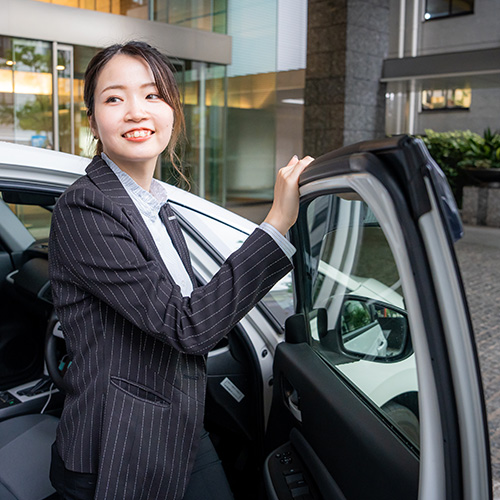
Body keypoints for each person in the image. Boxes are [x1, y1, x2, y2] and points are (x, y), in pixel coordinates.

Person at [48, 40, 313, 500]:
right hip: (119, 452)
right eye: (114, 98)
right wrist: (276, 224)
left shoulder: (157, 206)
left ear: (172, 109)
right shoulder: (86, 207)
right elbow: (187, 325)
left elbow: (183, 305)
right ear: (92, 119)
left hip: (177, 427)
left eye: (152, 95)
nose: (136, 111)